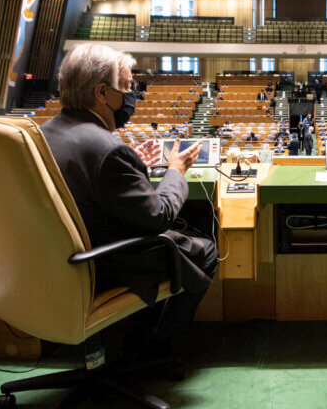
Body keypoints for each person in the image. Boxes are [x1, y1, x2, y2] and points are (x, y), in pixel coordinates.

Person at [40, 44, 217, 349]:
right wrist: (175, 171)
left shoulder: (44, 134)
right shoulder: (107, 149)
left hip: (61, 259)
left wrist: (133, 166)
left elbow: (90, 184)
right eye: (125, 86)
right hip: (110, 261)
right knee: (206, 250)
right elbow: (159, 216)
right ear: (101, 93)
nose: (132, 94)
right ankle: (154, 346)